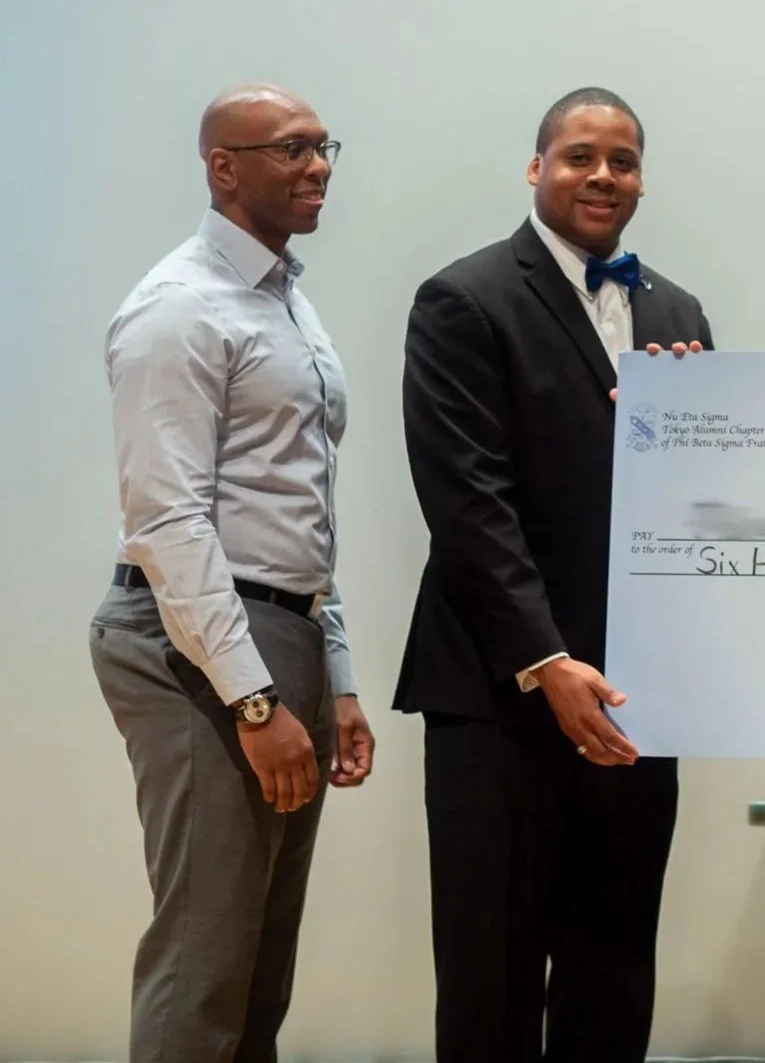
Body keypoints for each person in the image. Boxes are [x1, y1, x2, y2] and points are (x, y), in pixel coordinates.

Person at [395, 86, 713, 1062]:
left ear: (642, 180)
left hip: (633, 698)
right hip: (502, 694)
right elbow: (468, 503)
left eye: (622, 160)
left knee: (614, 962)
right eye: (579, 155)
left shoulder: (678, 309)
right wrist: (546, 656)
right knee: (493, 972)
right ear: (535, 169)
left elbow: (702, 496)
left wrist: (702, 421)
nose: (602, 175)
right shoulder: (464, 297)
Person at [88, 82, 375, 1063]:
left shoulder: (284, 298)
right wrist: (253, 701)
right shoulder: (179, 309)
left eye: (323, 145)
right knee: (203, 962)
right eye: (292, 149)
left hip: (277, 632)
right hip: (195, 650)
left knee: (258, 962)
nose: (320, 165)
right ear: (224, 167)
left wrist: (330, 677)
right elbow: (169, 520)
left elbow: (299, 509)